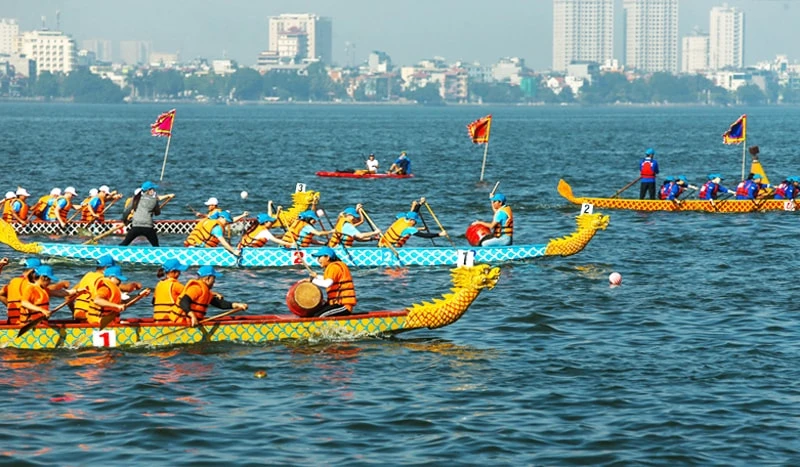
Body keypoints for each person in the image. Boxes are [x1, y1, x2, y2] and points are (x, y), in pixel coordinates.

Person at [0, 258, 74, 324]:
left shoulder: (13, 281)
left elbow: (1, 294)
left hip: (12, 321)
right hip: (26, 323)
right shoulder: (31, 285)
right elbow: (50, 290)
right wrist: (61, 285)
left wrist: (9, 306)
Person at [170, 265, 248, 326]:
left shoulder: (206, 291)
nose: (214, 281)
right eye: (213, 278)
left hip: (194, 321)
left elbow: (220, 304)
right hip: (182, 322)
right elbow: (183, 302)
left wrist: (237, 305)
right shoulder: (196, 288)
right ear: (207, 278)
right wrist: (193, 316)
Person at [71, 255, 142, 321]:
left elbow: (68, 296)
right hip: (91, 317)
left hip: (78, 315)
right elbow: (126, 288)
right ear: (106, 268)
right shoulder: (105, 280)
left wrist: (74, 313)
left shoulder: (87, 276)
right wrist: (134, 284)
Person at [120, 181, 174, 247]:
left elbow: (126, 211)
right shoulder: (154, 200)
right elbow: (157, 213)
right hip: (148, 227)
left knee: (124, 244)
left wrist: (125, 220)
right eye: (153, 189)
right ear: (149, 191)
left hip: (136, 226)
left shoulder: (135, 198)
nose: (154, 191)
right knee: (156, 246)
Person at [307, 246, 355, 317]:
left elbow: (327, 283)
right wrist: (316, 277)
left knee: (318, 316)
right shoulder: (333, 267)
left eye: (320, 257)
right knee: (311, 313)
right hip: (334, 304)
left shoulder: (334, 267)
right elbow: (327, 279)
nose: (318, 260)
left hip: (343, 305)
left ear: (328, 257)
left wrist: (312, 280)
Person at [378, 201, 447, 247]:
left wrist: (420, 204)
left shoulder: (401, 218)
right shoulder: (409, 229)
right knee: (407, 235)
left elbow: (412, 214)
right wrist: (440, 234)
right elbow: (425, 236)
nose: (416, 223)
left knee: (405, 235)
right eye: (415, 221)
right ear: (411, 220)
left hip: (381, 243)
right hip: (388, 248)